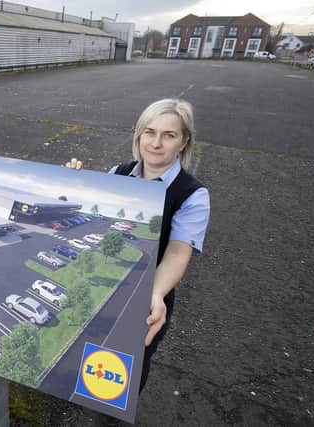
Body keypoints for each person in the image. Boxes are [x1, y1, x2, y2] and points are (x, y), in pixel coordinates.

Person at [66, 98, 210, 392]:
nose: (156, 143)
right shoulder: (117, 173)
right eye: (149, 132)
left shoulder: (192, 195)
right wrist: (72, 182)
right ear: (139, 135)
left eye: (169, 135)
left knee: (123, 374)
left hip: (146, 297)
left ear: (184, 142)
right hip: (104, 286)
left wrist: (155, 293)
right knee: (90, 352)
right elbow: (93, 217)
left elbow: (177, 252)